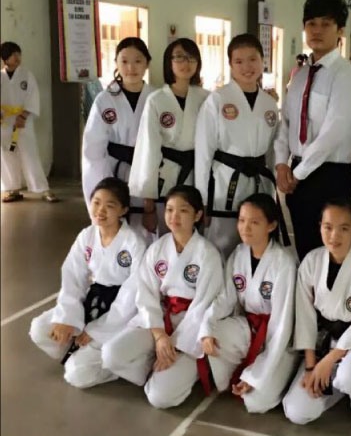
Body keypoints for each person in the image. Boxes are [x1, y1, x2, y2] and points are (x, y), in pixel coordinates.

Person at [101, 185, 223, 409]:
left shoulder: (208, 255)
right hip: (159, 320)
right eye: (169, 209)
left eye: (183, 211)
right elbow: (146, 294)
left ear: (197, 215)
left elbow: (203, 306)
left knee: (160, 398)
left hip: (190, 331)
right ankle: (156, 363)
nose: (174, 217)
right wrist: (159, 337)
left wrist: (173, 346)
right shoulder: (157, 249)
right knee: (110, 355)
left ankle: (180, 368)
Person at [29, 178, 147, 388]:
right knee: (39, 329)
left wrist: (96, 330)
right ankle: (81, 352)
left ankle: (118, 364)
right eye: (96, 202)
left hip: (119, 314)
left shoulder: (134, 243)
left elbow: (131, 296)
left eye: (109, 206)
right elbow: (73, 277)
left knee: (76, 375)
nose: (100, 210)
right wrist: (67, 317)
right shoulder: (87, 235)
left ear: (123, 210)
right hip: (92, 301)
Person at [274, 0, 351, 261]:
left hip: (329, 176)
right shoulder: (300, 76)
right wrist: (281, 164)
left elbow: (333, 134)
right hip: (298, 174)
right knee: (305, 248)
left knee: (331, 251)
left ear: (340, 31)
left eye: (326, 24)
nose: (317, 30)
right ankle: (307, 290)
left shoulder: (346, 76)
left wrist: (298, 173)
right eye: (311, 23)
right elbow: (286, 123)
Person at [283, 199, 351, 425]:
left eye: (344, 228)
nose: (334, 236)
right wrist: (311, 367)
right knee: (297, 412)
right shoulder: (312, 261)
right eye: (327, 227)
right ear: (320, 226)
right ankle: (336, 384)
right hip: (323, 344)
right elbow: (305, 316)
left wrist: (329, 360)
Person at [199, 193, 297, 413]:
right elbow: (225, 299)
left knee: (255, 403)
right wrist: (207, 327)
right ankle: (236, 375)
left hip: (279, 341)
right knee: (211, 331)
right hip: (250, 328)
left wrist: (256, 376)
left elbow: (282, 325)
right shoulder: (239, 254)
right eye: (242, 220)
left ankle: (279, 370)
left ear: (271, 225)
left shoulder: (284, 263)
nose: (245, 228)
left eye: (254, 222)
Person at [195, 34, 280, 259]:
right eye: (239, 61)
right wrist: (202, 199)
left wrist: (271, 193)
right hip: (224, 183)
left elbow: (272, 153)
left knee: (256, 243)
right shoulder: (218, 99)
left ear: (262, 61)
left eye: (253, 59)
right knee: (221, 244)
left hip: (258, 183)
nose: (247, 67)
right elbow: (203, 153)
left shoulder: (269, 104)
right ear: (231, 64)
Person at [129, 38, 208, 236]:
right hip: (166, 177)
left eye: (191, 58)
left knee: (195, 235)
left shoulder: (206, 98)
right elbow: (148, 151)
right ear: (169, 62)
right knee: (166, 234)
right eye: (179, 57)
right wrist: (148, 205)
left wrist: (208, 199)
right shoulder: (156, 100)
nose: (186, 63)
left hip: (197, 174)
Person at [82, 38, 155, 240]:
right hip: (114, 170)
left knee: (147, 231)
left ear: (147, 63)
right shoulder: (104, 100)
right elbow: (93, 150)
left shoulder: (156, 97)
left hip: (148, 170)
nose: (131, 68)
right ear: (116, 63)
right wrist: (103, 186)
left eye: (138, 61)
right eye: (124, 61)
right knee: (116, 229)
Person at [1, 42, 57, 203]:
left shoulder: (27, 75)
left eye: (18, 54)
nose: (17, 57)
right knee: (6, 155)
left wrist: (23, 116)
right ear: (5, 58)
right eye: (13, 54)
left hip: (23, 121)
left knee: (30, 154)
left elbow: (33, 97)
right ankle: (12, 189)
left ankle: (43, 188)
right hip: (4, 122)